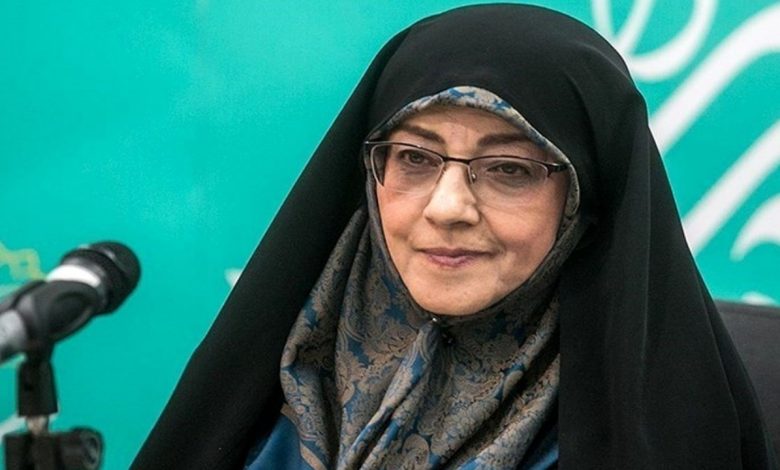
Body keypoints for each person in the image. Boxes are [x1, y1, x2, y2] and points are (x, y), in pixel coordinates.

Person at [132, 4, 778, 469]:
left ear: (586, 198)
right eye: (415, 158)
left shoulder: (652, 432)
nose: (447, 208)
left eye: (509, 170)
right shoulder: (275, 379)